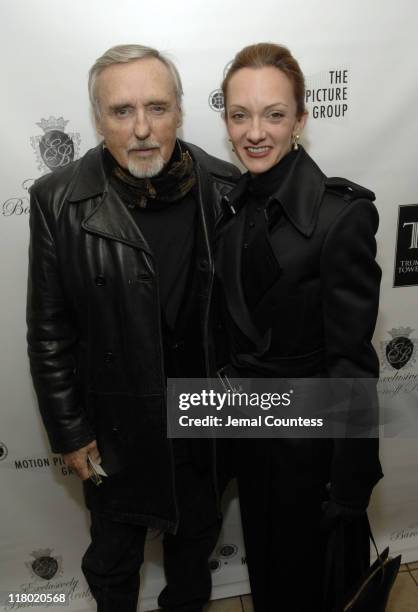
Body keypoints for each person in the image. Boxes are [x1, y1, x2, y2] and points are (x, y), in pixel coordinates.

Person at [26, 44, 239, 612]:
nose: (142, 128)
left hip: (203, 417)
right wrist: (70, 432)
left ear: (180, 111)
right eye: (122, 111)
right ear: (98, 119)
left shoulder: (226, 187)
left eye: (157, 107)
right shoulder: (58, 200)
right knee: (113, 560)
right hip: (114, 425)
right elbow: (49, 331)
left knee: (194, 549)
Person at [215, 43, 383, 611]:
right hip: (254, 437)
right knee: (269, 577)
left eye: (274, 114)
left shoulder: (341, 217)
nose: (255, 132)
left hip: (312, 454)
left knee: (313, 589)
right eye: (240, 115)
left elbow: (353, 362)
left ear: (301, 120)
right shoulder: (234, 209)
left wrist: (351, 483)